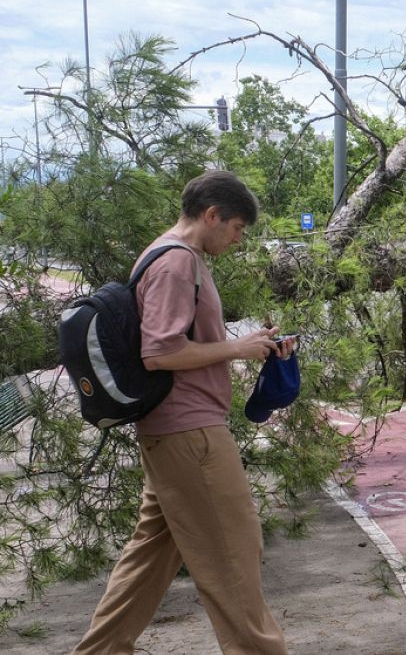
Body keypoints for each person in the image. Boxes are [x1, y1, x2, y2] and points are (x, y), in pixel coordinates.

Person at [74, 170, 293, 655]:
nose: (237, 239)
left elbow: (177, 344)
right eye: (236, 228)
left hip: (172, 432)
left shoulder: (169, 255)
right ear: (212, 215)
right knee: (234, 554)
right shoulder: (177, 263)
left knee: (151, 555)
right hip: (189, 433)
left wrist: (249, 345)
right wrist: (236, 349)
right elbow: (161, 353)